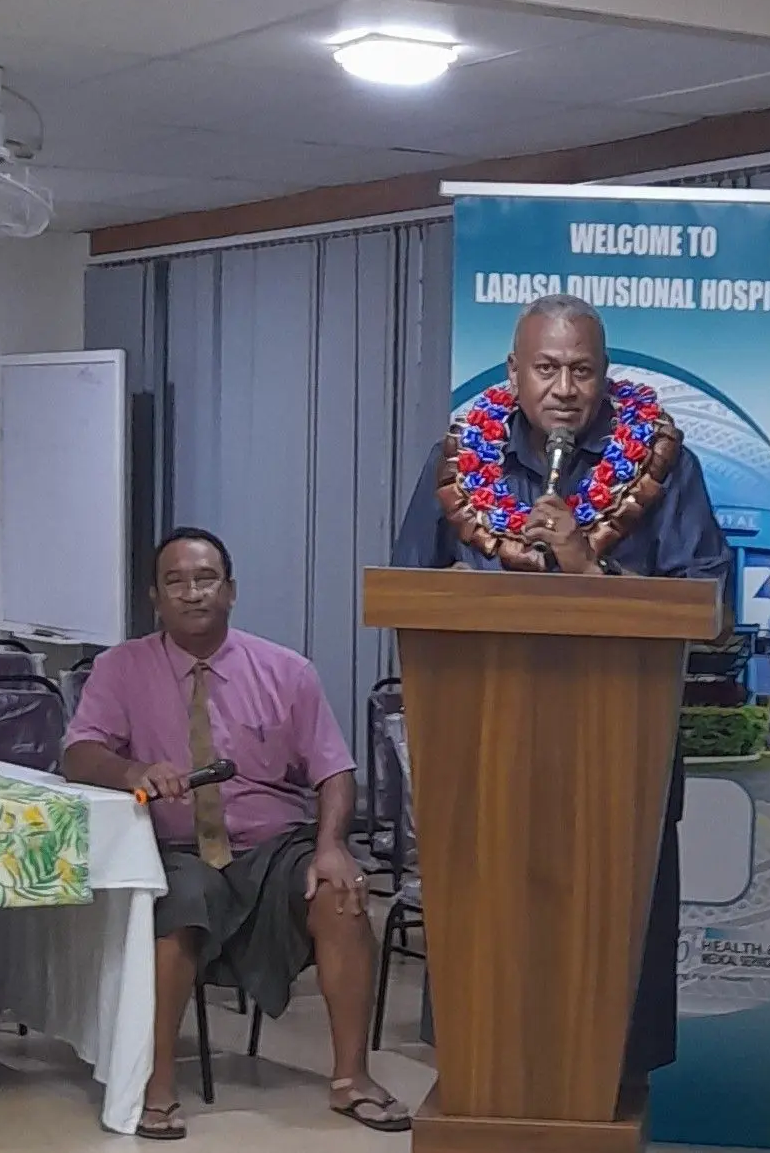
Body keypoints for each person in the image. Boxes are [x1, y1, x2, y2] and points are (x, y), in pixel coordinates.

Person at [392, 293, 732, 1083]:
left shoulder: (665, 466)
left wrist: (589, 569)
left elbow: (710, 612)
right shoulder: (457, 459)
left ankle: (602, 1103)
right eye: (546, 368)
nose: (565, 388)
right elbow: (405, 588)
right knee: (494, 977)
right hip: (483, 764)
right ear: (513, 373)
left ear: (607, 377)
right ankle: (484, 1094)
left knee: (608, 990)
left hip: (620, 772)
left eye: (582, 370)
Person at [63, 527, 410, 1140]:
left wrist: (331, 846)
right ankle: (157, 1084)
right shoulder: (122, 668)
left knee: (341, 895)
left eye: (205, 579)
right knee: (175, 907)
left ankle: (351, 1078)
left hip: (272, 847)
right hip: (172, 846)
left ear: (230, 591)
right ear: (155, 597)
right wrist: (134, 771)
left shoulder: (287, 670)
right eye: (176, 581)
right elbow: (79, 754)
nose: (192, 593)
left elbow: (334, 770)